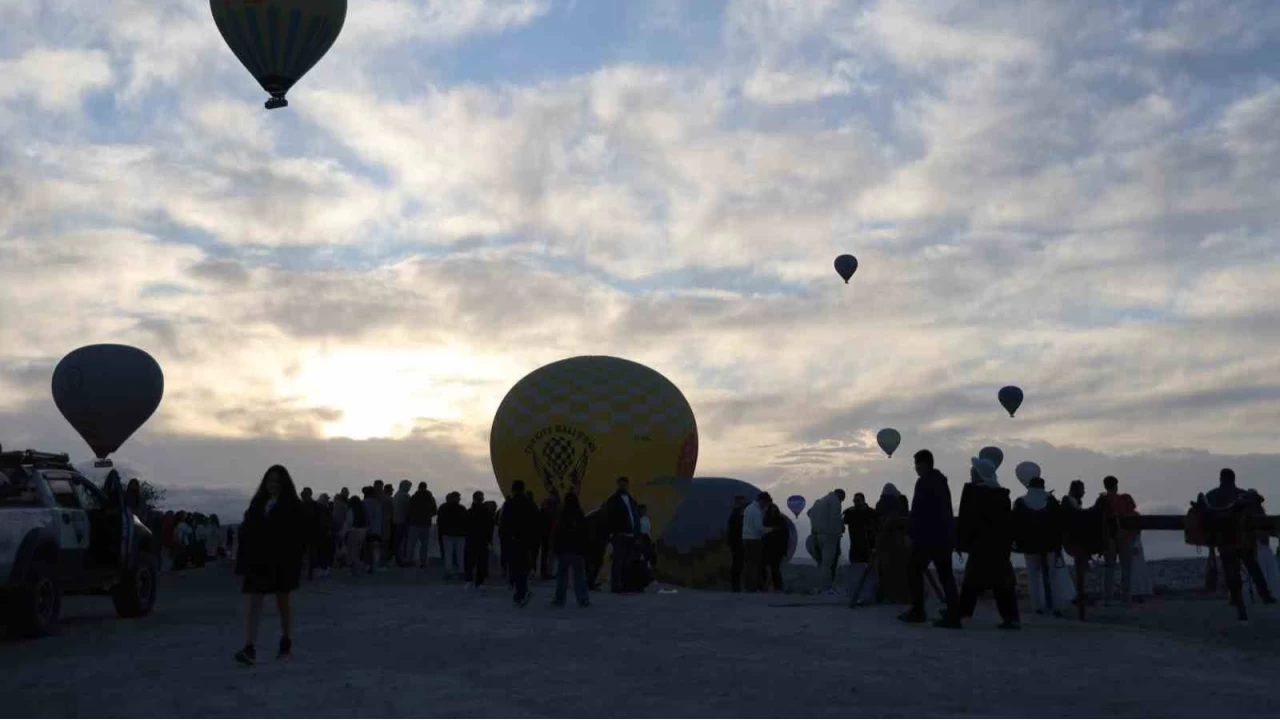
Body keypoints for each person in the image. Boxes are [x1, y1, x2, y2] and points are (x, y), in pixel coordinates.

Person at [233, 465, 307, 665]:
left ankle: (286, 643)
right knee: (253, 604)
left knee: (283, 603)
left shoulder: (293, 506)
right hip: (258, 561)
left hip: (281, 562)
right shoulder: (257, 504)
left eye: (277, 482)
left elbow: (298, 537)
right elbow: (246, 532)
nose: (273, 485)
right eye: (270, 481)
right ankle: (249, 647)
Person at [938, 457, 1019, 630]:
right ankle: (1011, 618)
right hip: (999, 548)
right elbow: (1008, 524)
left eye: (973, 473)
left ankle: (959, 616)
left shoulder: (974, 494)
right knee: (1002, 584)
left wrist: (960, 543)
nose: (971, 475)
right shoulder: (1002, 495)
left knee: (971, 583)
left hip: (980, 546)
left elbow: (967, 520)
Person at [1197, 469, 1275, 620]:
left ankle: (1237, 599)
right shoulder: (1244, 495)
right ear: (1234, 479)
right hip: (1244, 542)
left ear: (1221, 479)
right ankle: (1264, 594)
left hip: (1224, 542)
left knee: (1231, 573)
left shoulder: (1211, 496)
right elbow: (1258, 512)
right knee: (1252, 567)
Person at [900, 450, 960, 623]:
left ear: (924, 464)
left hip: (927, 537)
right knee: (945, 575)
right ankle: (954, 613)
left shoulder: (923, 482)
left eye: (917, 465)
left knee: (913, 570)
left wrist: (910, 534)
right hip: (943, 536)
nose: (916, 468)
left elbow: (918, 510)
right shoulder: (941, 482)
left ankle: (918, 611)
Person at [1013, 476, 1073, 616]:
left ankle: (1037, 606)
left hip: (1029, 544)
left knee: (1033, 576)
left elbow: (1015, 524)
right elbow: (1059, 524)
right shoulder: (1051, 501)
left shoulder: (1020, 501)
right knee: (1053, 575)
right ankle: (1057, 606)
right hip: (1050, 544)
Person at [1099, 476, 1138, 605]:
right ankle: (1126, 597)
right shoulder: (1125, 499)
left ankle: (1107, 598)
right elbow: (1134, 516)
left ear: (1105, 486)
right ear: (1116, 486)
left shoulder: (1102, 500)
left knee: (1109, 568)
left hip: (1109, 538)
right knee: (1126, 568)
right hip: (1125, 537)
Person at [501, 481, 539, 606]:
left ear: (513, 490)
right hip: (527, 541)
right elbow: (535, 524)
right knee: (523, 567)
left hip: (513, 540)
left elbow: (504, 524)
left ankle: (521, 593)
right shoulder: (530, 504)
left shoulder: (509, 504)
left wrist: (505, 539)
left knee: (516, 568)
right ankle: (522, 591)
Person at [551, 491, 591, 608]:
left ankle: (560, 599)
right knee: (579, 577)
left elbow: (557, 533)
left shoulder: (562, 515)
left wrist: (556, 549)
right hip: (577, 551)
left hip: (564, 550)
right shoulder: (580, 515)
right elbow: (585, 534)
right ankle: (583, 599)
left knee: (562, 577)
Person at [604, 477, 641, 593]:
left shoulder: (631, 500)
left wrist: (637, 533)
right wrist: (611, 532)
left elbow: (635, 517)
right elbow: (608, 517)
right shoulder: (613, 500)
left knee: (627, 561)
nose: (624, 486)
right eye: (621, 484)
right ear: (618, 485)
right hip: (619, 534)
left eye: (625, 484)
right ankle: (616, 585)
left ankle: (626, 584)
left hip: (631, 535)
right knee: (618, 561)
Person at [875, 484, 911, 603]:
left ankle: (886, 594)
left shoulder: (880, 504)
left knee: (885, 568)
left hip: (884, 541)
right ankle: (901, 595)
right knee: (901, 568)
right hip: (898, 541)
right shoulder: (901, 501)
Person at [807, 489, 846, 594]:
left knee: (822, 564)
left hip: (815, 536)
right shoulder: (835, 502)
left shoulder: (818, 502)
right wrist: (839, 529)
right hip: (828, 537)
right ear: (840, 496)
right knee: (827, 564)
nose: (841, 502)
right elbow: (835, 518)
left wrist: (817, 523)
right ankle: (826, 588)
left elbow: (809, 512)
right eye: (842, 500)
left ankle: (821, 586)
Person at [843, 493, 878, 605]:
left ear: (863, 500)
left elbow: (876, 527)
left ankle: (869, 594)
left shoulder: (871, 513)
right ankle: (857, 594)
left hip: (869, 546)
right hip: (856, 546)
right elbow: (844, 521)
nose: (856, 502)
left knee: (870, 572)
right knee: (856, 571)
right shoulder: (850, 513)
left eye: (858, 500)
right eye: (855, 500)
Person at [464, 492, 494, 588]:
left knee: (470, 561)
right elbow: (490, 528)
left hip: (472, 539)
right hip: (481, 540)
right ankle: (479, 581)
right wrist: (490, 540)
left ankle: (470, 580)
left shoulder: (469, 512)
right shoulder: (486, 513)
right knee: (481, 562)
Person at [741, 492, 768, 592]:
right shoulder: (756, 511)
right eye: (765, 503)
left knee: (748, 564)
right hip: (754, 540)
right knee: (755, 564)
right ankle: (753, 587)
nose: (765, 506)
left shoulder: (748, 508)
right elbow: (758, 529)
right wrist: (769, 530)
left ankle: (748, 586)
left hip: (746, 538)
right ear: (762, 501)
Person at [407, 482, 437, 569]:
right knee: (425, 545)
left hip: (414, 524)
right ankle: (423, 562)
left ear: (418, 487)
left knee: (411, 544)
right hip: (426, 524)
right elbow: (434, 511)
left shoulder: (414, 497)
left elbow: (409, 510)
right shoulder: (430, 498)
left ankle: (409, 561)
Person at [437, 491, 467, 579]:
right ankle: (461, 571)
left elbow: (440, 521)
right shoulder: (462, 508)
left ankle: (449, 572)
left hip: (447, 534)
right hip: (460, 534)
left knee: (448, 553)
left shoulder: (443, 508)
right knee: (460, 553)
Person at [762, 500, 789, 592]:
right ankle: (770, 586)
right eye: (771, 509)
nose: (773, 511)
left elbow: (785, 536)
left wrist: (785, 550)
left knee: (775, 568)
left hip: (777, 548)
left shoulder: (781, 520)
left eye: (774, 509)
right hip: (768, 548)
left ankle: (778, 587)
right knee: (767, 568)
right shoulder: (766, 520)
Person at [343, 488, 369, 575]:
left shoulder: (351, 510)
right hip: (363, 532)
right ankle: (358, 568)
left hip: (353, 532)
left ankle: (354, 569)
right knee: (358, 551)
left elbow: (349, 522)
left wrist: (342, 533)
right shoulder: (362, 510)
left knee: (352, 551)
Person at [539, 489, 561, 580]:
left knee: (546, 553)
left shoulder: (545, 506)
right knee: (553, 554)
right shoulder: (557, 507)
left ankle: (545, 572)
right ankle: (550, 572)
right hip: (554, 533)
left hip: (545, 532)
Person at [727, 496, 747, 592]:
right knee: (738, 564)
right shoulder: (736, 514)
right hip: (738, 543)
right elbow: (735, 528)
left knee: (738, 564)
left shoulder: (735, 514)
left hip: (737, 543)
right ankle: (736, 586)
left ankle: (736, 586)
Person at [363, 486, 384, 572]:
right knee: (374, 548)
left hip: (366, 529)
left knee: (367, 548)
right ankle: (374, 565)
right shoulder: (377, 503)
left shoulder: (363, 503)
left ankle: (367, 564)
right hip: (376, 529)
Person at [393, 480, 412, 566]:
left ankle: (398, 558)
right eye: (408, 487)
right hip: (403, 521)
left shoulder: (396, 495)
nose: (409, 488)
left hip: (396, 520)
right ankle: (402, 559)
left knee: (398, 541)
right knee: (402, 542)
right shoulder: (405, 496)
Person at [380, 483, 395, 567]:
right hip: (387, 523)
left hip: (381, 522)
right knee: (385, 542)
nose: (392, 491)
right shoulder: (389, 499)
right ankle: (383, 560)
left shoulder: (380, 498)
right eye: (392, 490)